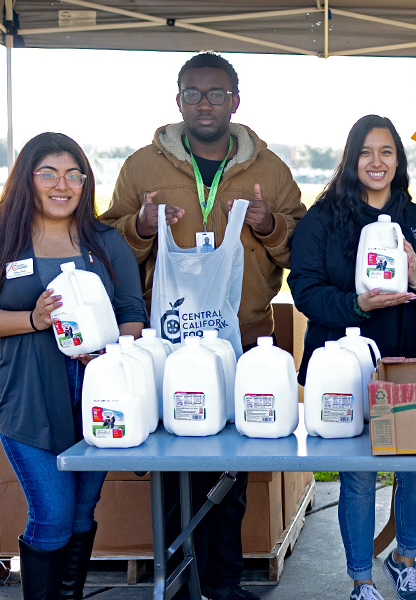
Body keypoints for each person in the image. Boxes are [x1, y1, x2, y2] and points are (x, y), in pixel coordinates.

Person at [101, 52, 306, 600]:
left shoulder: (271, 170)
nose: (205, 103)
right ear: (178, 100)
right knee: (172, 466)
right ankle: (177, 579)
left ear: (236, 101)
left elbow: (302, 246)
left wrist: (271, 224)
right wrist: (140, 227)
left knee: (230, 471)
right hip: (167, 344)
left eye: (216, 93)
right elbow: (109, 245)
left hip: (241, 338)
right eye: (193, 92)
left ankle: (224, 583)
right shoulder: (143, 167)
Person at [288, 115, 416, 600]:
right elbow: (305, 289)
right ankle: (360, 580)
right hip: (341, 364)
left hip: (406, 360)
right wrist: (357, 304)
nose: (377, 162)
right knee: (358, 470)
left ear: (399, 160)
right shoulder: (323, 218)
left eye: (387, 152)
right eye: (367, 152)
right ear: (352, 159)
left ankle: (404, 559)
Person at [0, 132, 147, 600]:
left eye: (73, 174)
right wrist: (33, 319)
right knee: (54, 515)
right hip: (26, 398)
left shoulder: (105, 241)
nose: (61, 184)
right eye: (48, 173)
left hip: (98, 397)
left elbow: (132, 315)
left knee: (83, 512)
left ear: (85, 182)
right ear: (28, 178)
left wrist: (108, 349)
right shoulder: (5, 239)